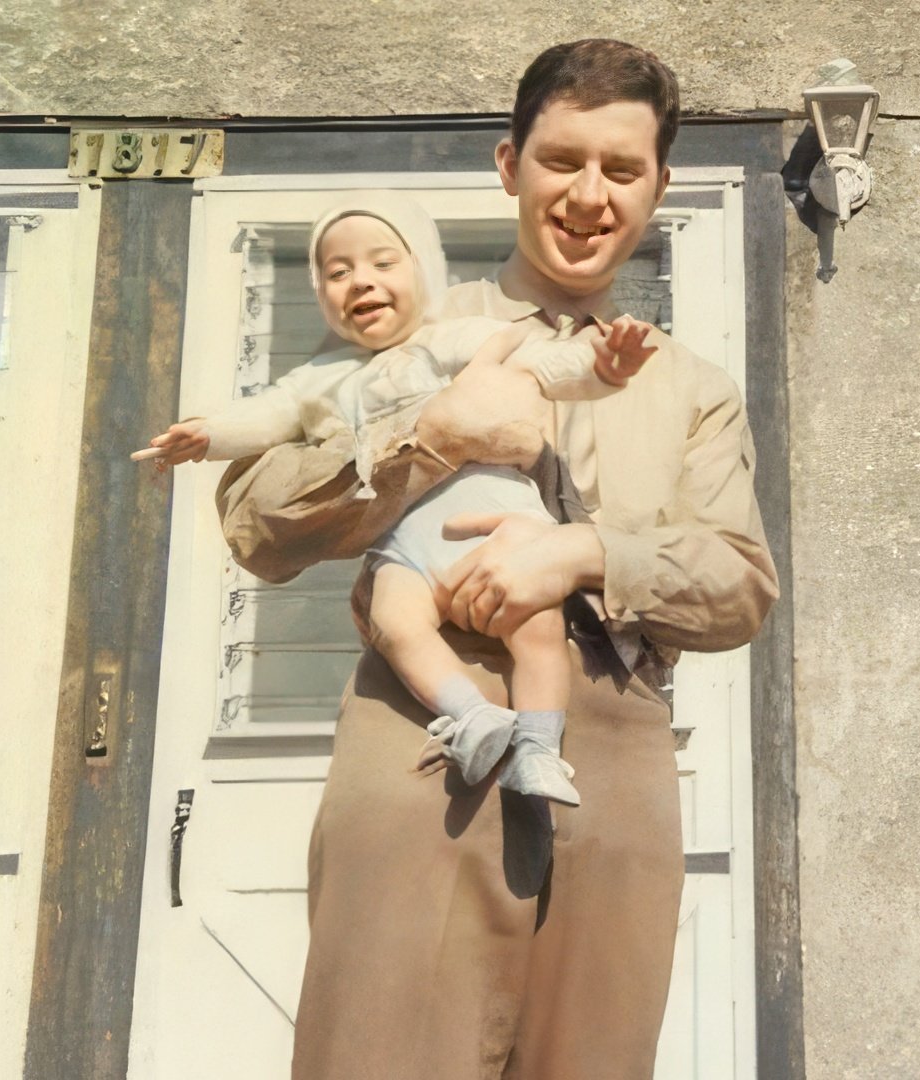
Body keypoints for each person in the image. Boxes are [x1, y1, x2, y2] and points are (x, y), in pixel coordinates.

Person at [210, 40, 778, 1078]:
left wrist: (582, 551)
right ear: (510, 164)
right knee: (378, 1052)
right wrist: (436, 433)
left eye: (622, 168)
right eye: (562, 161)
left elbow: (741, 585)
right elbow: (254, 522)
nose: (588, 196)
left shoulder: (690, 385)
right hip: (430, 731)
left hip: (618, 755)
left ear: (660, 184)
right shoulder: (412, 327)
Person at [139, 191, 656, 804]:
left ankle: (539, 750)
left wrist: (605, 363)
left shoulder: (455, 339)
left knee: (537, 629)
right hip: (406, 544)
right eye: (338, 272)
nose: (361, 281)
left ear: (424, 271)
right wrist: (208, 435)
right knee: (393, 621)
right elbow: (267, 416)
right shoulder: (320, 378)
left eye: (383, 263)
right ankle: (471, 716)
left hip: (491, 524)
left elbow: (547, 364)